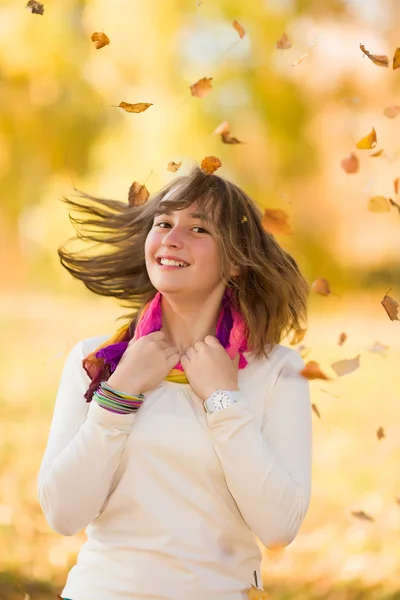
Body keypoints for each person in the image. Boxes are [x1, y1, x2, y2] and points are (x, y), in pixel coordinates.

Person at [37, 165, 312, 600]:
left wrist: (224, 402)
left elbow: (279, 528)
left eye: (198, 228)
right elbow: (63, 515)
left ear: (236, 261)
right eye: (163, 222)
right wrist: (117, 397)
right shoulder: (97, 362)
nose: (171, 237)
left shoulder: (278, 371)